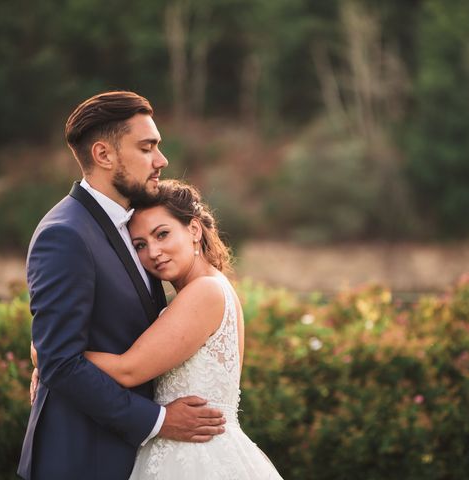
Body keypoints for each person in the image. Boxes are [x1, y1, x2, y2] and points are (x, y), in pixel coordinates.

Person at [18, 91, 225, 480]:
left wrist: (48, 356)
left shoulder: (134, 230)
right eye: (147, 148)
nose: (161, 161)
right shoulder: (66, 235)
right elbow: (61, 362)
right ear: (104, 155)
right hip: (80, 459)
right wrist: (159, 421)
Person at [84, 179, 283, 479]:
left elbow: (129, 370)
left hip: (197, 457)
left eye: (162, 234)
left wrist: (55, 355)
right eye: (140, 245)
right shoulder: (209, 288)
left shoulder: (205, 291)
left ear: (193, 230)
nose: (153, 252)